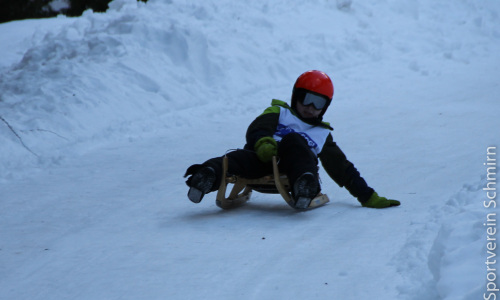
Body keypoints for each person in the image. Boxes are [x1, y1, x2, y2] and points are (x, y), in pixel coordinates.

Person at [184, 70, 401, 210]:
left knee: (295, 140)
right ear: (295, 96)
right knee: (235, 158)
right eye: (306, 99)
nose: (310, 107)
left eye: (318, 103)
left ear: (325, 107)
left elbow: (342, 167)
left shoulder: (322, 134)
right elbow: (258, 128)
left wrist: (367, 196)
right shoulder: (279, 111)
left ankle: (304, 186)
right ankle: (206, 177)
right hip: (261, 160)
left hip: (294, 169)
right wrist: (263, 144)